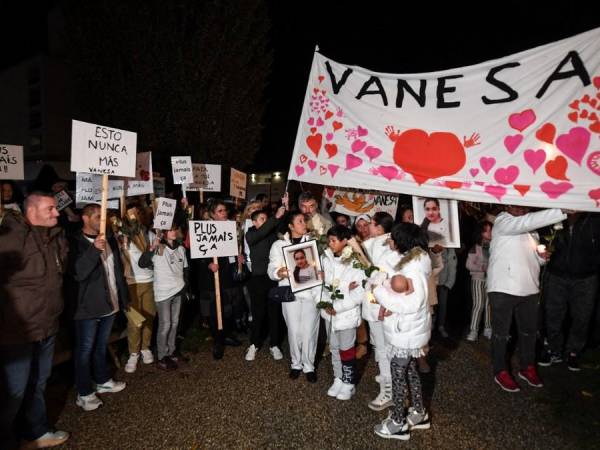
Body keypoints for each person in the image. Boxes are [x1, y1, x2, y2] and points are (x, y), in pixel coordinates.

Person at [0, 192, 70, 448]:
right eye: (50, 209)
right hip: (17, 332)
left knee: (38, 383)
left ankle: (35, 432)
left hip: (47, 326)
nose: (57, 212)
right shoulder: (12, 237)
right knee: (13, 391)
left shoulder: (53, 237)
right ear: (31, 212)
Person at [487, 205, 566, 392]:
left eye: (523, 206)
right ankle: (500, 370)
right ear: (507, 205)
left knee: (530, 332)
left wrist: (541, 257)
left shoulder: (531, 229)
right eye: (515, 205)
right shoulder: (502, 221)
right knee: (501, 334)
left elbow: (535, 257)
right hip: (503, 287)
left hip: (529, 288)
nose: (520, 209)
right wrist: (561, 211)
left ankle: (527, 367)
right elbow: (523, 223)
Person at [373, 222, 432, 441]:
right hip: (409, 330)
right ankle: (419, 413)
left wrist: (379, 291)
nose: (390, 241)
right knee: (410, 371)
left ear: (401, 242)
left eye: (392, 238)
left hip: (406, 331)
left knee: (398, 374)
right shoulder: (415, 260)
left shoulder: (413, 270)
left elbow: (410, 304)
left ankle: (398, 423)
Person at [69, 204, 129, 411]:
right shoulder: (75, 243)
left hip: (109, 303)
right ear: (84, 219)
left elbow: (116, 271)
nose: (101, 220)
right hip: (88, 308)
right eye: (96, 216)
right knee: (84, 351)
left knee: (101, 346)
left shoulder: (109, 238)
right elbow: (79, 273)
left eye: (103, 216)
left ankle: (102, 379)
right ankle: (84, 392)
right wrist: (94, 249)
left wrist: (122, 297)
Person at [539, 212, 600, 371]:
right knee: (553, 314)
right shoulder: (555, 214)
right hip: (557, 274)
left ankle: (573, 352)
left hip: (586, 277)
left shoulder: (593, 217)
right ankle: (553, 349)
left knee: (582, 316)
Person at [268, 211, 321, 382]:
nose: (304, 223)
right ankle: (296, 363)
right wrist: (279, 273)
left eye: (304, 221)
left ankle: (309, 365)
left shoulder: (314, 243)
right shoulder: (278, 245)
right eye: (299, 221)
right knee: (294, 330)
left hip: (311, 293)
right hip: (290, 294)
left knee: (309, 331)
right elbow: (271, 269)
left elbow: (320, 265)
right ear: (290, 226)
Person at [319, 225, 365, 400]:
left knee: (347, 349)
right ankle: (338, 378)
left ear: (345, 241)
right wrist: (324, 304)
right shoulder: (326, 259)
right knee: (335, 347)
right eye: (329, 240)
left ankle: (349, 382)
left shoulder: (355, 262)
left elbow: (359, 292)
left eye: (334, 240)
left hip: (345, 314)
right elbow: (322, 286)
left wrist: (337, 306)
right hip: (329, 314)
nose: (330, 244)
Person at [362, 211, 401, 410]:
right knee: (381, 346)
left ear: (378, 227)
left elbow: (378, 274)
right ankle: (389, 382)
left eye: (370, 223)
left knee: (384, 348)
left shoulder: (383, 247)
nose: (367, 226)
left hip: (381, 304)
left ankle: (389, 391)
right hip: (377, 302)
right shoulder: (380, 243)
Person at [195, 200, 243, 360]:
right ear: (213, 214)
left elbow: (233, 250)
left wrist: (238, 257)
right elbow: (196, 256)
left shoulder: (230, 227)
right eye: (220, 211)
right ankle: (217, 341)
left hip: (227, 276)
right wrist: (208, 264)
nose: (224, 213)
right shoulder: (204, 229)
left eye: (225, 210)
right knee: (216, 312)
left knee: (228, 309)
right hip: (213, 278)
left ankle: (226, 335)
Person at [139, 224, 189, 370]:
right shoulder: (159, 248)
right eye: (171, 230)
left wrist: (186, 287)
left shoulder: (180, 248)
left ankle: (172, 351)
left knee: (175, 323)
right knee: (165, 324)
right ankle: (162, 356)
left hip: (178, 290)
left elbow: (185, 269)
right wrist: (152, 247)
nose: (174, 232)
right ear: (164, 232)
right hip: (164, 292)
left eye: (175, 229)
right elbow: (143, 263)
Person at [244, 205, 287, 361]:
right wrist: (275, 217)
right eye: (262, 219)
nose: (266, 221)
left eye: (266, 218)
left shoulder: (272, 235)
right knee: (258, 314)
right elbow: (264, 230)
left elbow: (281, 227)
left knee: (274, 313)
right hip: (257, 280)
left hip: (273, 280)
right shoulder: (251, 234)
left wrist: (283, 213)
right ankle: (254, 344)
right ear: (254, 222)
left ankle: (274, 344)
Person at [120, 207, 156, 373]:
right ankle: (133, 353)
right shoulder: (123, 238)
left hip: (150, 281)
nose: (136, 218)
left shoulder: (150, 234)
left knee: (149, 316)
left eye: (139, 215)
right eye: (133, 216)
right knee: (135, 320)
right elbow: (139, 259)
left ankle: (145, 347)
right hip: (132, 283)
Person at [465, 221, 493, 341]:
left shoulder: (495, 246)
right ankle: (473, 330)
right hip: (478, 279)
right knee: (478, 304)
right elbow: (468, 265)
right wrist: (482, 268)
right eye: (487, 230)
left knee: (489, 305)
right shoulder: (475, 247)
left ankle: (488, 328)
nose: (490, 233)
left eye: (490, 230)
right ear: (481, 233)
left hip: (491, 279)